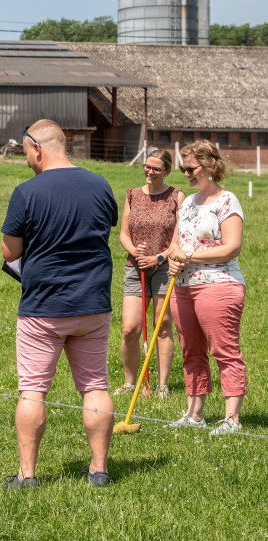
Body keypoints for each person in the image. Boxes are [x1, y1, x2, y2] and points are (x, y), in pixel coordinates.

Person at [1, 119, 118, 489]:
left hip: (43, 307)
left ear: (37, 148)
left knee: (33, 390)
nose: (27, 162)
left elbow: (10, 251)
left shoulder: (26, 192)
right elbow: (104, 229)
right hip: (93, 303)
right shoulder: (101, 184)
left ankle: (28, 475)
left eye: (26, 154)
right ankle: (99, 470)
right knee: (95, 385)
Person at [166, 140, 247, 435]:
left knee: (224, 350)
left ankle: (232, 419)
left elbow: (231, 248)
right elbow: (176, 243)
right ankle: (194, 414)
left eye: (191, 168)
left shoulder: (227, 202)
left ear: (210, 167)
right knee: (191, 351)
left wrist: (189, 256)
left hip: (219, 285)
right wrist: (175, 257)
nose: (185, 173)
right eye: (183, 168)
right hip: (184, 287)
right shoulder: (187, 202)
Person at [117, 149, 185, 399]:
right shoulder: (133, 195)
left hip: (165, 267)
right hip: (136, 267)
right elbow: (124, 233)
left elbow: (179, 235)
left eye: (156, 168)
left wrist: (159, 257)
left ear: (167, 171)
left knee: (162, 325)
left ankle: (162, 385)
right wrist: (135, 251)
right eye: (147, 166)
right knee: (130, 328)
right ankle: (129, 383)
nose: (150, 171)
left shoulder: (176, 196)